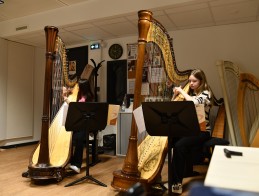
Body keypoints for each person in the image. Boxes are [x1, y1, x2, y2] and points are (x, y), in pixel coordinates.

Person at [169, 69, 212, 194]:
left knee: (179, 145)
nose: (191, 83)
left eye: (194, 81)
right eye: (190, 81)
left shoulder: (206, 93)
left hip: (203, 132)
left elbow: (194, 103)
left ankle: (176, 184)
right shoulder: (192, 94)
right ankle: (177, 176)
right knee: (171, 140)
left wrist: (181, 90)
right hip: (190, 130)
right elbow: (175, 106)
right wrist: (175, 94)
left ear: (201, 81)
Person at [64, 78, 94, 173]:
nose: (77, 88)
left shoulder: (88, 97)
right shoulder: (79, 95)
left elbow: (76, 107)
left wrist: (67, 101)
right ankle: (71, 161)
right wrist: (67, 91)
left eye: (78, 86)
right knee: (72, 139)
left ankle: (77, 165)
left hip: (84, 124)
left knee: (78, 139)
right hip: (78, 123)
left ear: (83, 88)